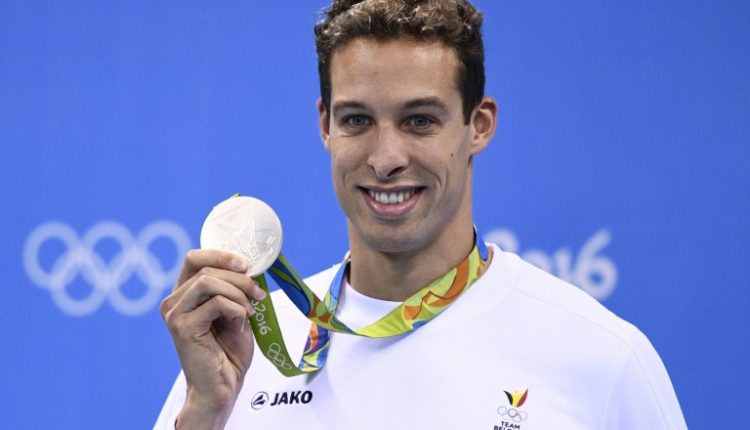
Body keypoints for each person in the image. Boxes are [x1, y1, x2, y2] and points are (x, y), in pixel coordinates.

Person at [155, 1, 687, 428]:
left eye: (419, 120)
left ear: (479, 125)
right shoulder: (241, 351)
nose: (386, 158)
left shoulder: (602, 358)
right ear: (325, 125)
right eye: (357, 119)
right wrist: (204, 415)